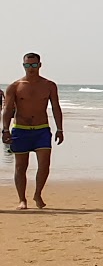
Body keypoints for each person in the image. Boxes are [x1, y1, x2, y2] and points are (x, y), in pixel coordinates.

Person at [3, 52, 64, 210]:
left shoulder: (49, 85)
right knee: (20, 167)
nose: (31, 68)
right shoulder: (15, 86)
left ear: (40, 65)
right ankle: (22, 200)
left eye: (34, 65)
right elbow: (8, 110)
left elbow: (56, 107)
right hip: (20, 130)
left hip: (41, 130)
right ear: (23, 66)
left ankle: (37, 193)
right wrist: (5, 130)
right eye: (27, 65)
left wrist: (60, 128)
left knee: (44, 165)